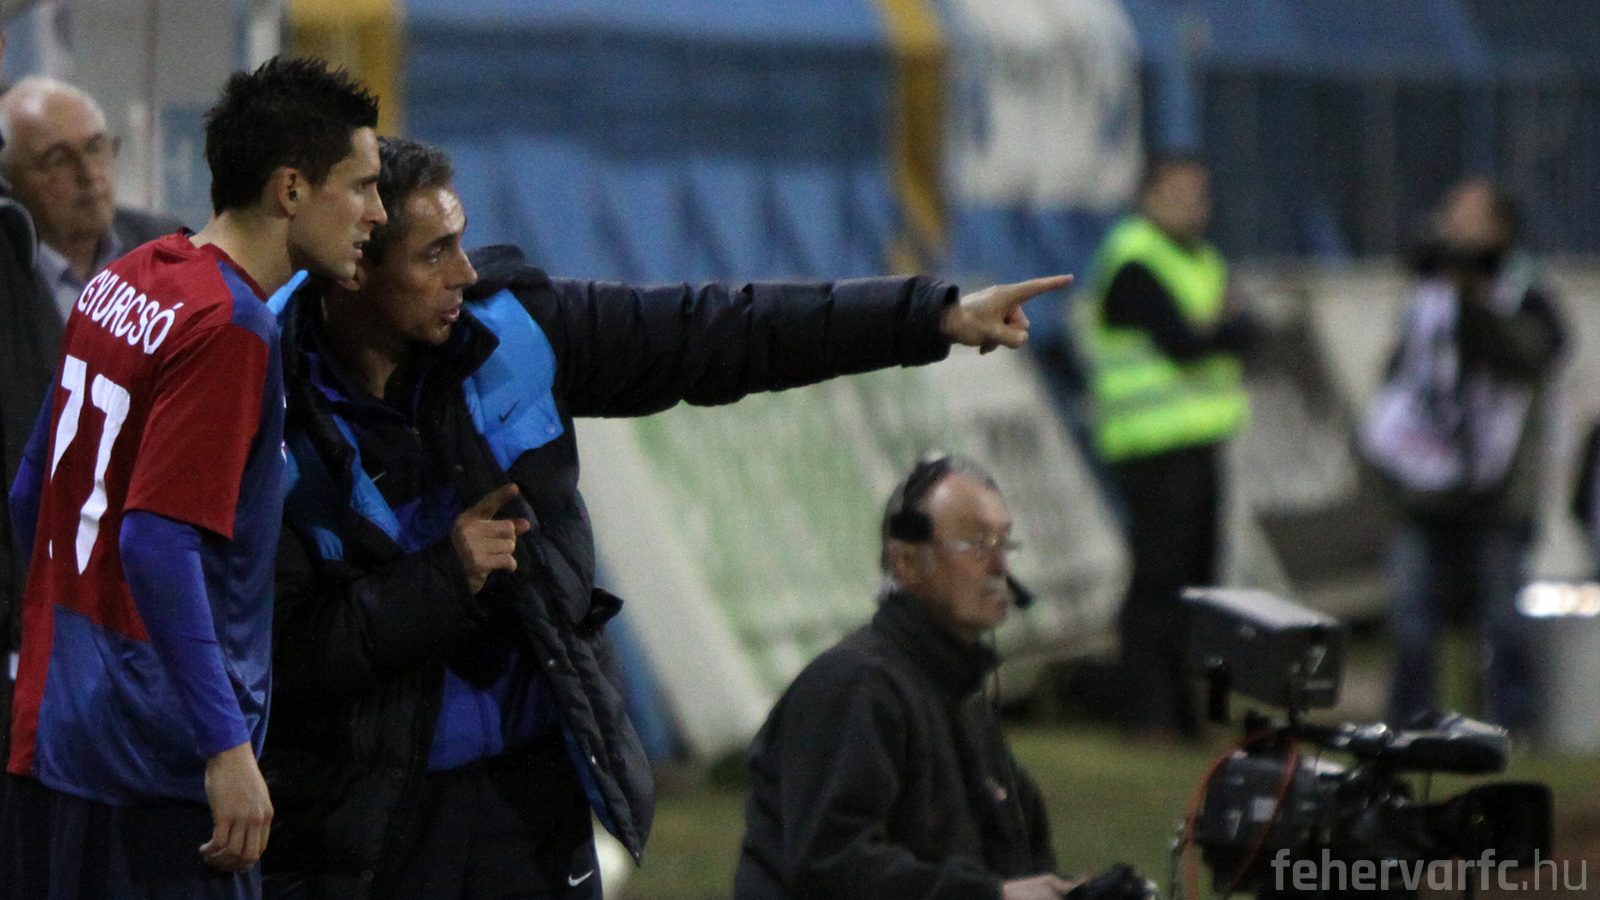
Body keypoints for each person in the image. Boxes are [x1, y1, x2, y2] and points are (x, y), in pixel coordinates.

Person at [259, 135, 1069, 899]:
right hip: (362, 827)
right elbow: (281, 656)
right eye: (434, 254)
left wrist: (930, 316)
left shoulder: (518, 331)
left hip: (526, 804)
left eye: (462, 242)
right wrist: (442, 580)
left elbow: (718, 329)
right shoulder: (263, 401)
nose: (465, 273)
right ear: (355, 267)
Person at [1, 56, 385, 899]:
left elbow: (33, 491)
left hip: (59, 733)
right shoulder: (230, 326)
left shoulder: (122, 278)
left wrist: (77, 659)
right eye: (361, 186)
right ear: (291, 189)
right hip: (159, 758)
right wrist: (225, 745)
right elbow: (156, 540)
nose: (376, 213)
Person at [735, 455, 1070, 900]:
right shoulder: (856, 687)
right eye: (976, 543)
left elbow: (1020, 859)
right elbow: (832, 868)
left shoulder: (958, 692)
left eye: (1004, 543)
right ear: (907, 563)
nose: (1000, 567)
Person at [1359, 178, 1564, 736]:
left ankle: (1513, 726)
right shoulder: (1428, 296)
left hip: (1498, 493)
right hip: (1426, 489)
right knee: (1412, 617)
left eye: (1470, 219)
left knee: (1502, 620)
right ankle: (1410, 727)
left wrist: (1473, 299)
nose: (1454, 230)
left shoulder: (1528, 297)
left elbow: (1530, 356)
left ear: (1501, 229)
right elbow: (1402, 384)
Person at [1079, 156, 1257, 740]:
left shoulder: (1203, 259)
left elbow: (1242, 330)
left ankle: (1183, 713)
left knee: (1196, 585)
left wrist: (1219, 331)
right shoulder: (1134, 259)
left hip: (1199, 442)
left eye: (1198, 195)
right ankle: (1147, 712)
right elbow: (1185, 340)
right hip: (1151, 447)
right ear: (1148, 197)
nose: (1191, 207)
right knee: (1158, 583)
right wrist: (1221, 329)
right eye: (1177, 194)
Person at [0, 77, 184, 327]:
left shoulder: (167, 247)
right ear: (9, 182)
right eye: (58, 160)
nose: (89, 174)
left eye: (95, 148)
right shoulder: (8, 272)